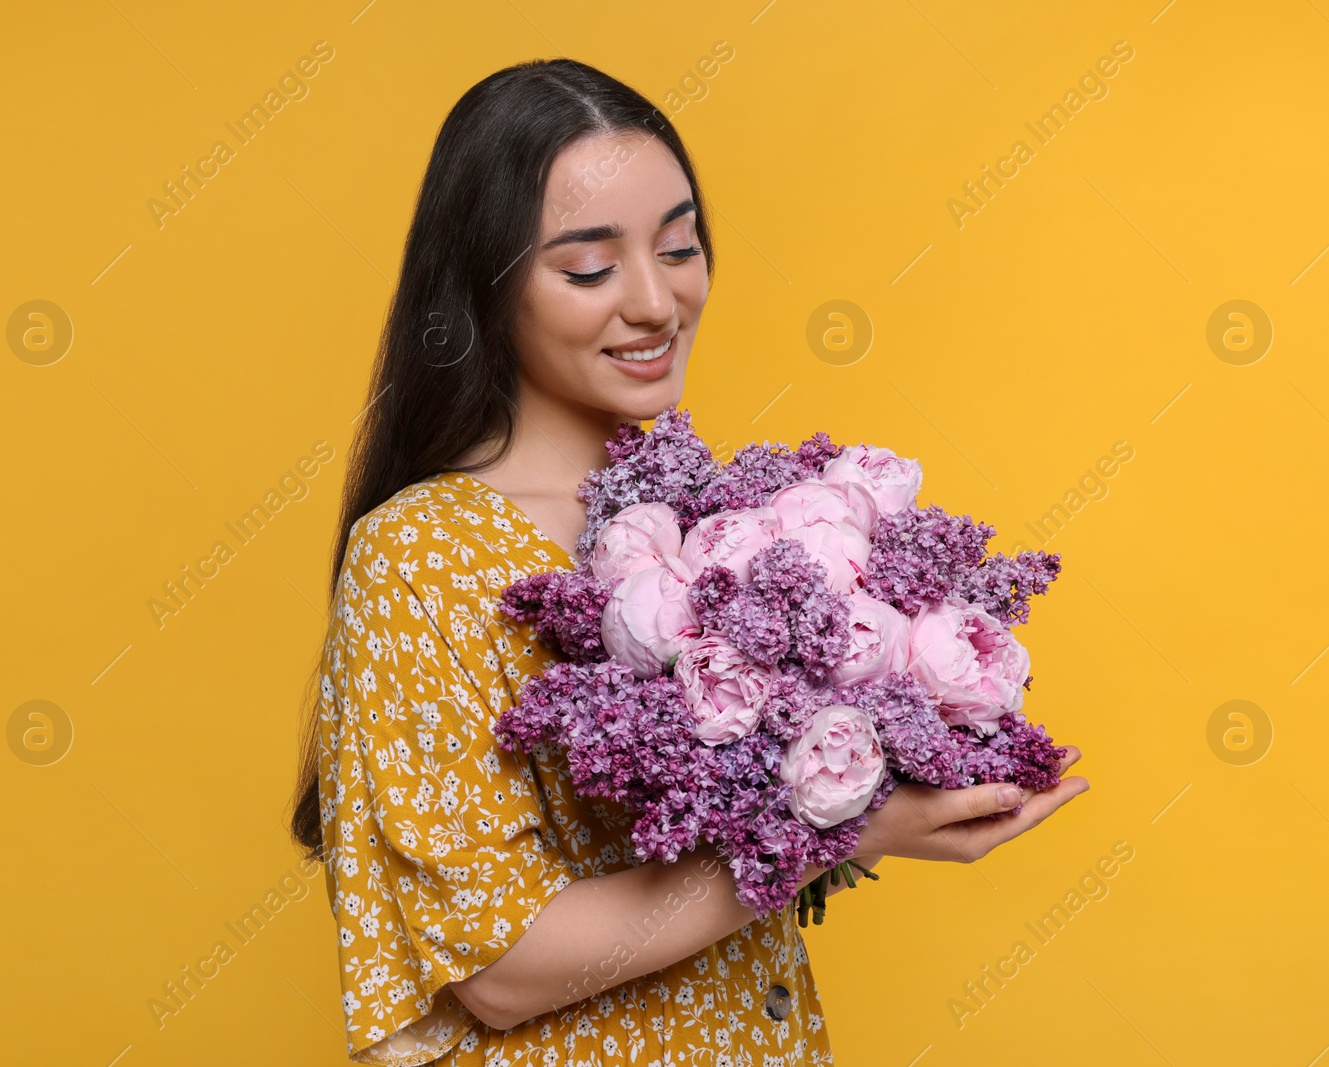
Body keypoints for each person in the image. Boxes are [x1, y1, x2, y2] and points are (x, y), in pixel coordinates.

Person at [287, 57, 1089, 1066]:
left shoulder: (721, 521)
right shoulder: (420, 556)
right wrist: (843, 826)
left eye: (678, 247)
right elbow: (497, 966)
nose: (657, 301)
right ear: (485, 290)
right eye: (589, 268)